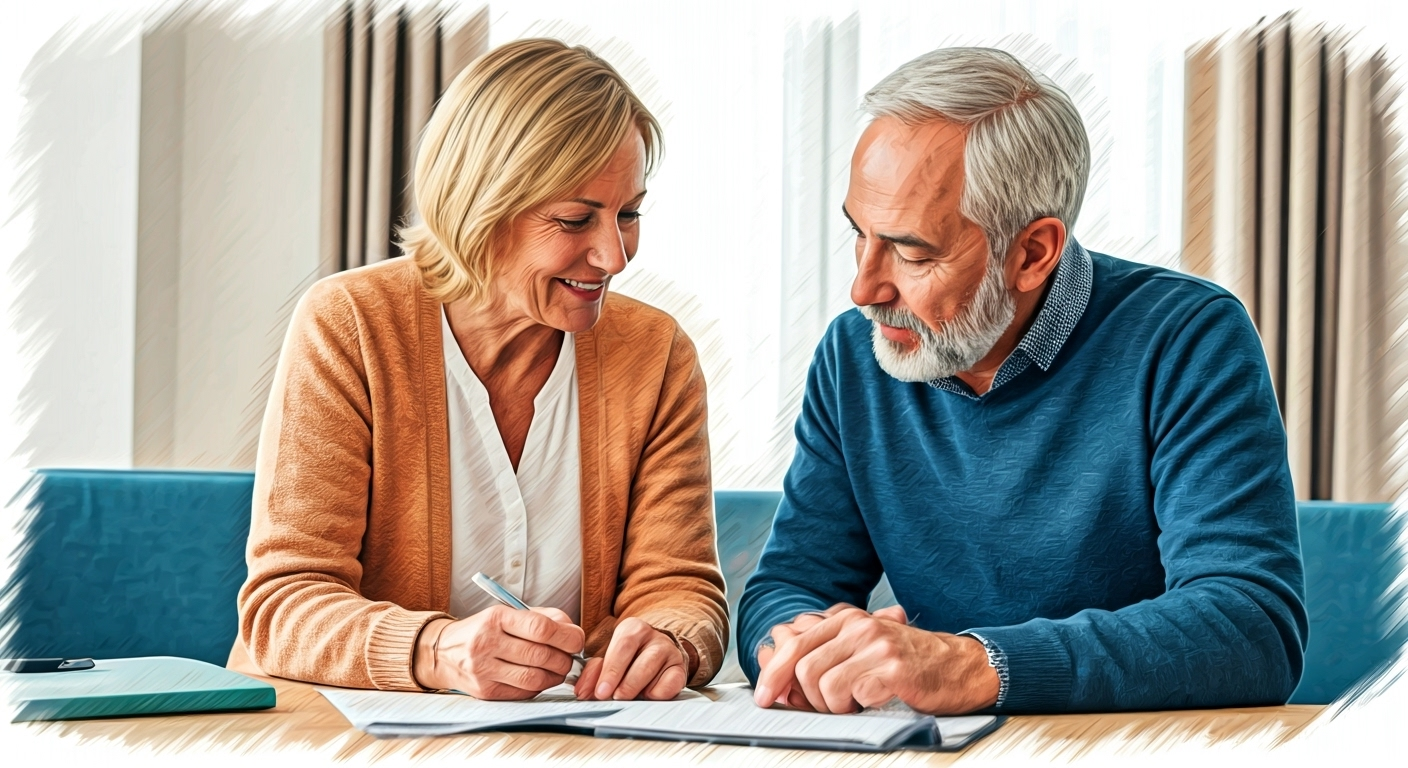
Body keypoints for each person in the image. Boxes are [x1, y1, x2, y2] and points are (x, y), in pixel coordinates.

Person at [737, 47, 1306, 715]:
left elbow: (1251, 627)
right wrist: (801, 646)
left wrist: (980, 665)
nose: (863, 287)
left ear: (1032, 252)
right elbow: (788, 586)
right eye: (858, 234)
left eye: (912, 251)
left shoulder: (1187, 338)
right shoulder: (856, 356)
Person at [229, 38, 728, 703]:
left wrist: (668, 639)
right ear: (480, 206)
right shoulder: (349, 324)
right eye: (577, 218)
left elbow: (682, 587)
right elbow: (283, 608)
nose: (614, 255)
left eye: (628, 214)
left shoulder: (657, 353)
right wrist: (436, 652)